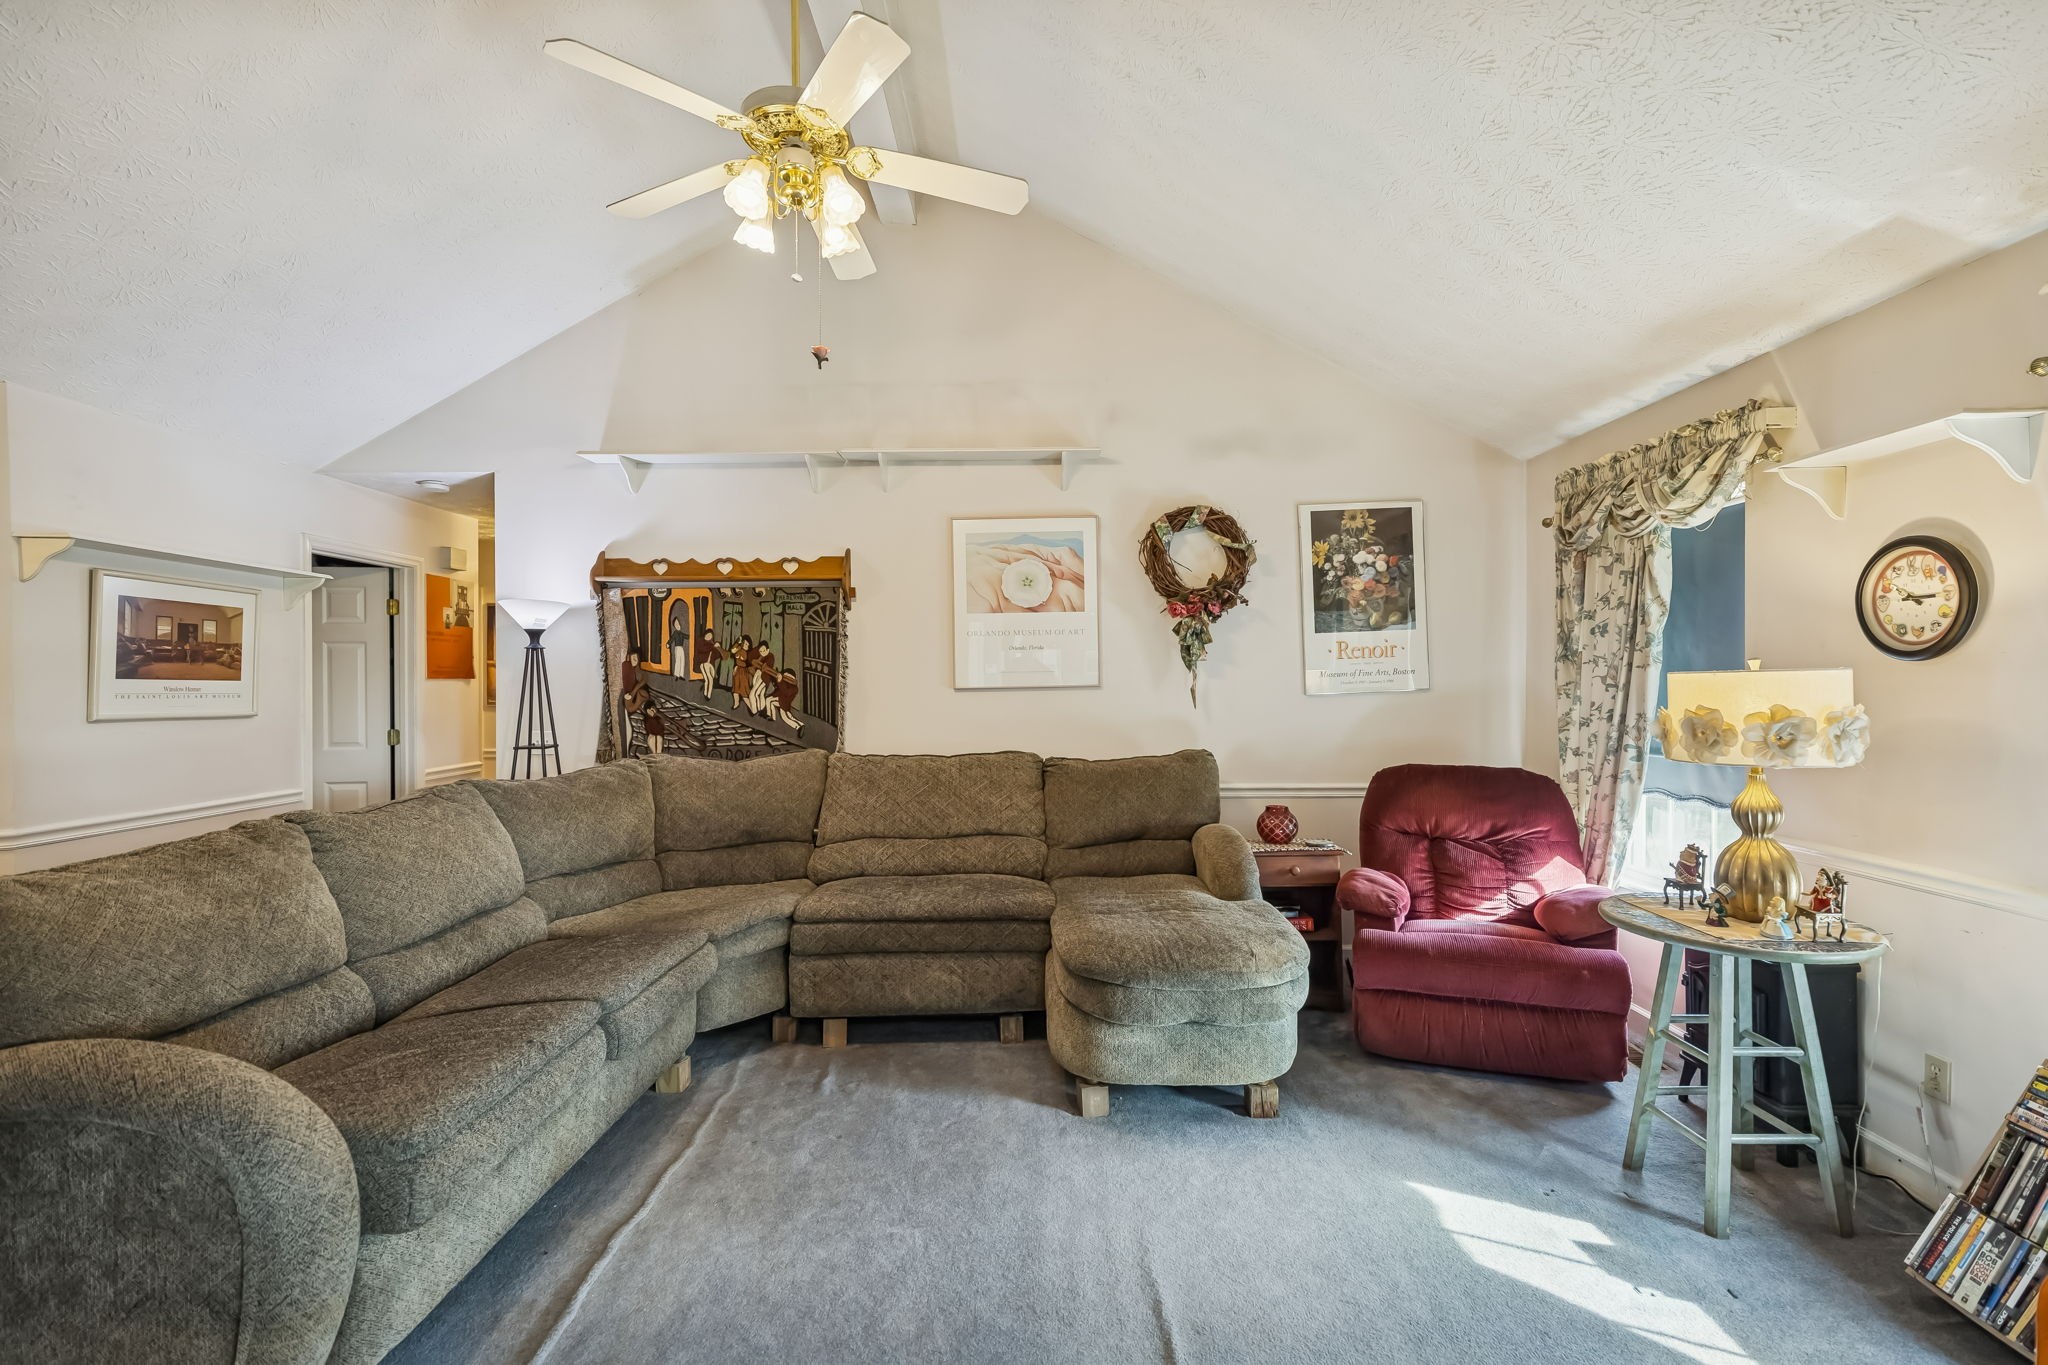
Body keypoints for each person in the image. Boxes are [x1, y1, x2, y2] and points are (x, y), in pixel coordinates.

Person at [770, 668, 803, 733]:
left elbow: (786, 692)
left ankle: (799, 726)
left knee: (786, 717)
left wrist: (780, 681)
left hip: (784, 703)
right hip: (780, 700)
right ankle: (771, 716)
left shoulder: (794, 688)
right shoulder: (785, 683)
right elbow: (779, 690)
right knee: (769, 700)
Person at [747, 643, 776, 715]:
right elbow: (750, 658)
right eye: (760, 651)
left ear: (768, 650)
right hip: (760, 675)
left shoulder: (770, 656)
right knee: (761, 694)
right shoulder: (761, 656)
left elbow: (764, 667)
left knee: (753, 694)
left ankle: (754, 711)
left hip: (764, 678)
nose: (762, 653)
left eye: (764, 650)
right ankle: (761, 710)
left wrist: (757, 663)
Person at [695, 628, 724, 699]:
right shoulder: (701, 641)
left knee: (708, 679)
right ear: (705, 634)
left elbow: (716, 656)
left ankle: (705, 693)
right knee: (710, 679)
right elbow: (702, 649)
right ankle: (708, 695)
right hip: (704, 664)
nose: (709, 637)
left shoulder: (711, 644)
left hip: (710, 664)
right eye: (708, 635)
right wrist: (713, 646)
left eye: (711, 636)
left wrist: (718, 647)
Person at [729, 636, 755, 711]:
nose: (746, 646)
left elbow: (746, 663)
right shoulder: (738, 649)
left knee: (744, 690)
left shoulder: (748, 653)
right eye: (745, 644)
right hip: (737, 671)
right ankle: (736, 703)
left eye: (747, 645)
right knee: (735, 688)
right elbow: (733, 650)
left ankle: (751, 707)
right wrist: (738, 643)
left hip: (743, 672)